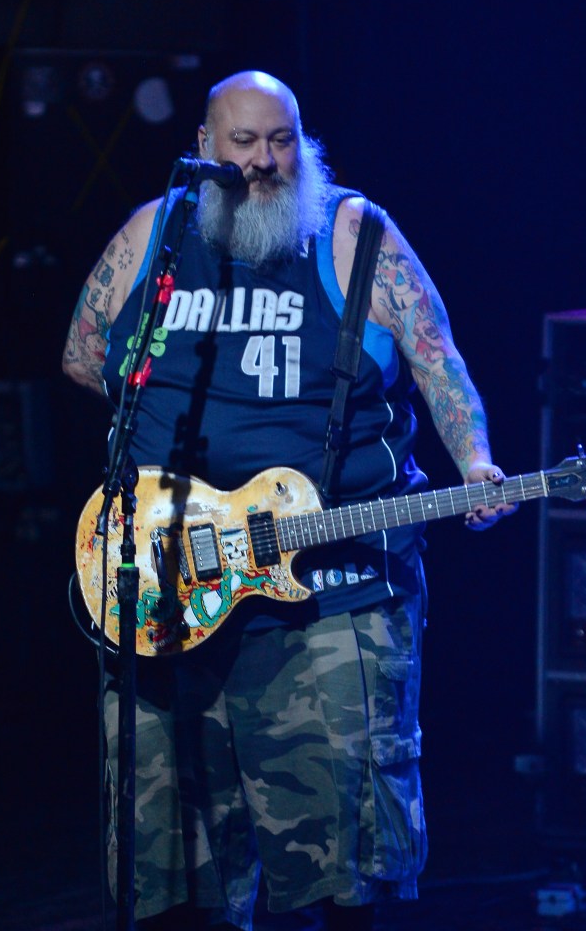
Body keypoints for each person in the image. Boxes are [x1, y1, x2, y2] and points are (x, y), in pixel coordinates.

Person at [62, 70, 516, 931]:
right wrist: (173, 495)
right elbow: (86, 355)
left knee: (336, 878)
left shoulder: (354, 237)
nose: (265, 163)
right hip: (169, 596)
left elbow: (437, 359)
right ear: (203, 148)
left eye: (281, 142)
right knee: (176, 884)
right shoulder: (153, 236)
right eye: (243, 144)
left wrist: (477, 458)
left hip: (331, 608)